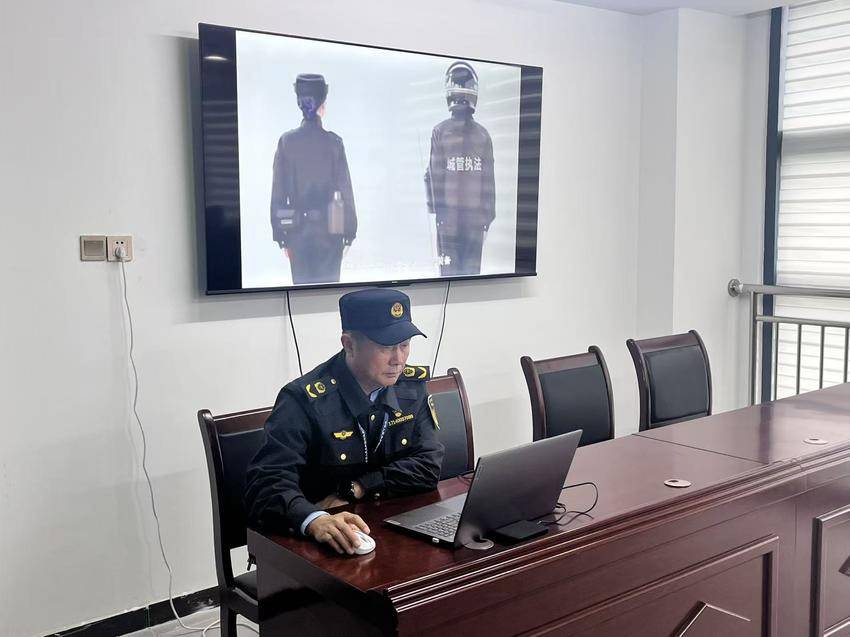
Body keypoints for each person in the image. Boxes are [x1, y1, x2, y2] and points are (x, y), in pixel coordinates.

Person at [245, 288, 444, 555]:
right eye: (386, 347)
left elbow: (428, 465)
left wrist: (359, 488)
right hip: (317, 546)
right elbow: (267, 484)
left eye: (404, 345)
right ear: (349, 344)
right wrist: (313, 519)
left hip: (387, 531)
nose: (398, 360)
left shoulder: (410, 387)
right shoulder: (303, 400)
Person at [270, 73, 357, 285]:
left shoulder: (286, 142)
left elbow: (278, 192)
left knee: (301, 297)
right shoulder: (334, 143)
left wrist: (281, 236)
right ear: (322, 105)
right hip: (331, 234)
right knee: (328, 297)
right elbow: (345, 190)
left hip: (297, 235)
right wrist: (349, 233)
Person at [425, 61, 496, 277]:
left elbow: (433, 176)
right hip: (475, 225)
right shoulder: (483, 135)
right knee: (471, 281)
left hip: (447, 224)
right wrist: (487, 219)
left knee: (448, 279)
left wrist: (435, 211)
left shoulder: (439, 131)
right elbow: (489, 183)